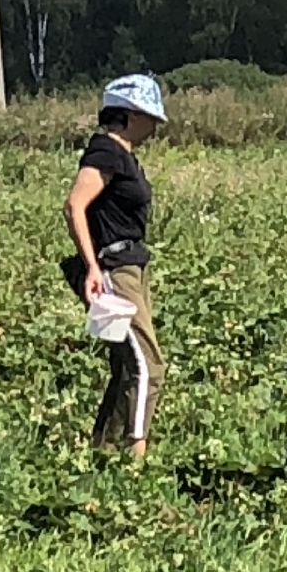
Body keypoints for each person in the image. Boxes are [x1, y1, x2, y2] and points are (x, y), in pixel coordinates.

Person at [60, 74, 169, 458]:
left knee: (127, 365)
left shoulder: (124, 155)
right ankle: (136, 458)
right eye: (148, 116)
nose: (155, 125)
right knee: (147, 365)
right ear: (126, 115)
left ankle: (103, 450)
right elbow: (75, 205)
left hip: (132, 265)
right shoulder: (105, 151)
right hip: (113, 267)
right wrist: (93, 267)